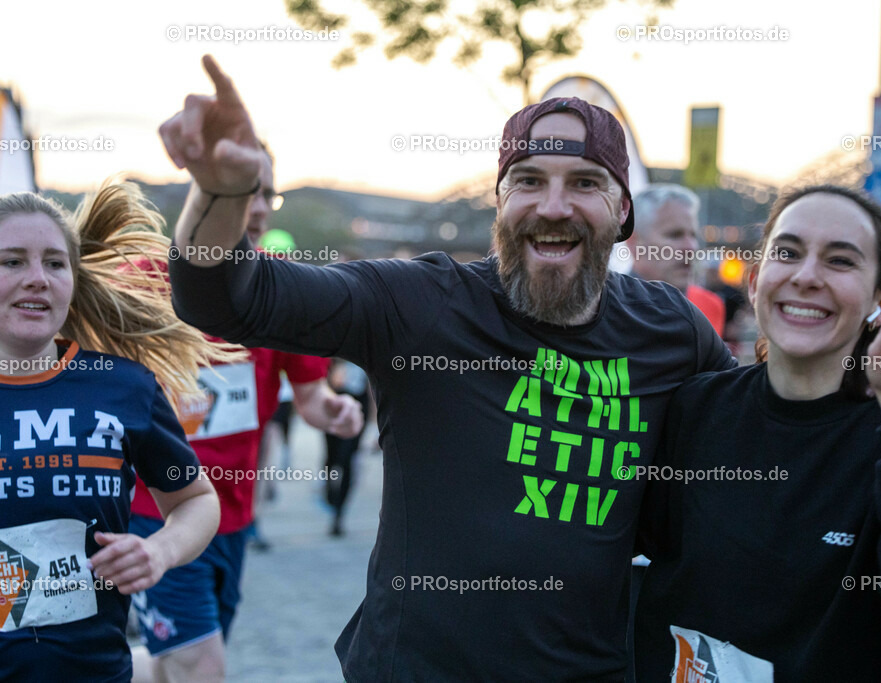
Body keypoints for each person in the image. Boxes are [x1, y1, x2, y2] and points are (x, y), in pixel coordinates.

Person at [158, 56, 734, 680]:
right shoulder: (422, 304)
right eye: (529, 180)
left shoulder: (671, 331)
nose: (554, 205)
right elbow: (228, 297)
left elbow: (763, 426)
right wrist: (220, 194)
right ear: (500, 200)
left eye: (586, 183)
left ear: (623, 211)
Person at [0, 179, 223, 682]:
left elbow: (196, 500)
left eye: (55, 264)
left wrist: (158, 551)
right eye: (12, 261)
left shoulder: (121, 388)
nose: (37, 278)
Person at [634, 186, 881, 681]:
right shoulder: (694, 408)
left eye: (840, 261)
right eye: (788, 253)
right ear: (755, 282)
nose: (807, 276)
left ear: (878, 299)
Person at [129, 157, 363, 683]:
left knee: (175, 667)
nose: (256, 208)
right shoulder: (147, 277)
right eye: (242, 192)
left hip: (232, 518)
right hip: (158, 510)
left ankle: (89, 671)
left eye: (267, 195)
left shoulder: (281, 289)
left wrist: (339, 411)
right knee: (203, 668)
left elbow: (311, 399)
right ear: (204, 193)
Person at [630, 183, 726, 336]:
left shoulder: (710, 305)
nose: (690, 248)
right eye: (675, 235)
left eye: (693, 235)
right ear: (634, 242)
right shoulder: (602, 306)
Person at [323, 358, 370, 536]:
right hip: (333, 404)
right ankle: (329, 494)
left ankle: (339, 513)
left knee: (346, 459)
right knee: (331, 458)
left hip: (358, 406)